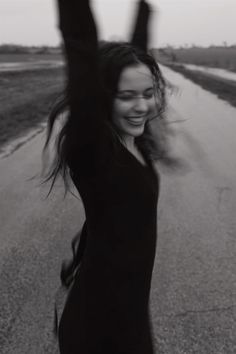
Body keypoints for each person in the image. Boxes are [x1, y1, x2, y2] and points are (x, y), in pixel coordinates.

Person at [44, 0, 170, 353]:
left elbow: (136, 54)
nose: (142, 106)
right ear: (101, 99)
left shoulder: (134, 141)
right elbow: (81, 44)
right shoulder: (95, 152)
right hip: (99, 328)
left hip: (129, 315)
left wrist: (144, 9)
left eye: (148, 93)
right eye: (126, 97)